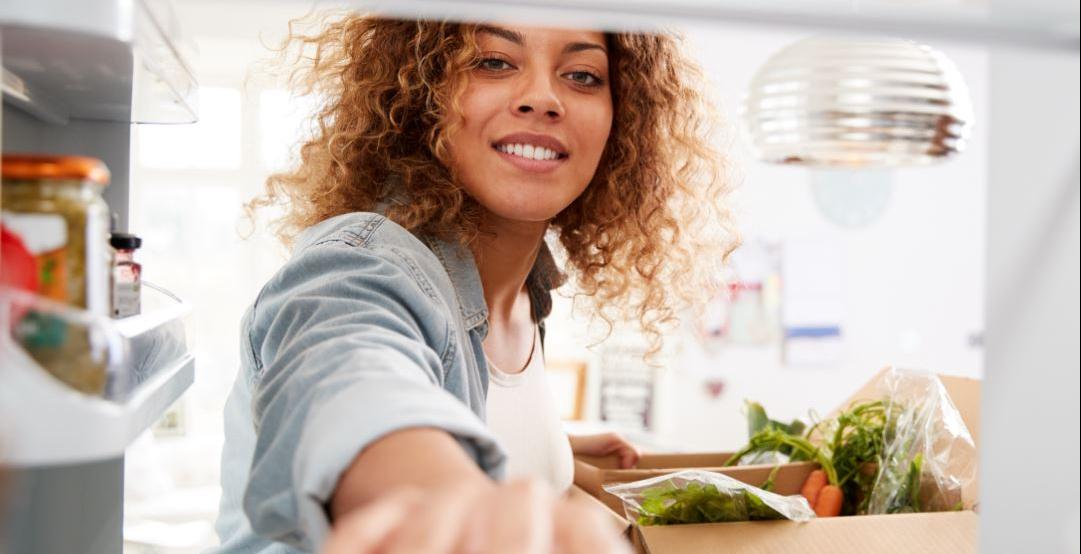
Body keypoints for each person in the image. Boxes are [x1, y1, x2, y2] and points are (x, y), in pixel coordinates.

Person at [215, 14, 737, 554]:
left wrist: (552, 455)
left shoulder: (525, 289)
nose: (542, 97)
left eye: (582, 75)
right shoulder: (360, 267)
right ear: (422, 95)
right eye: (492, 62)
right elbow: (349, 380)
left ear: (621, 119)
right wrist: (449, 502)